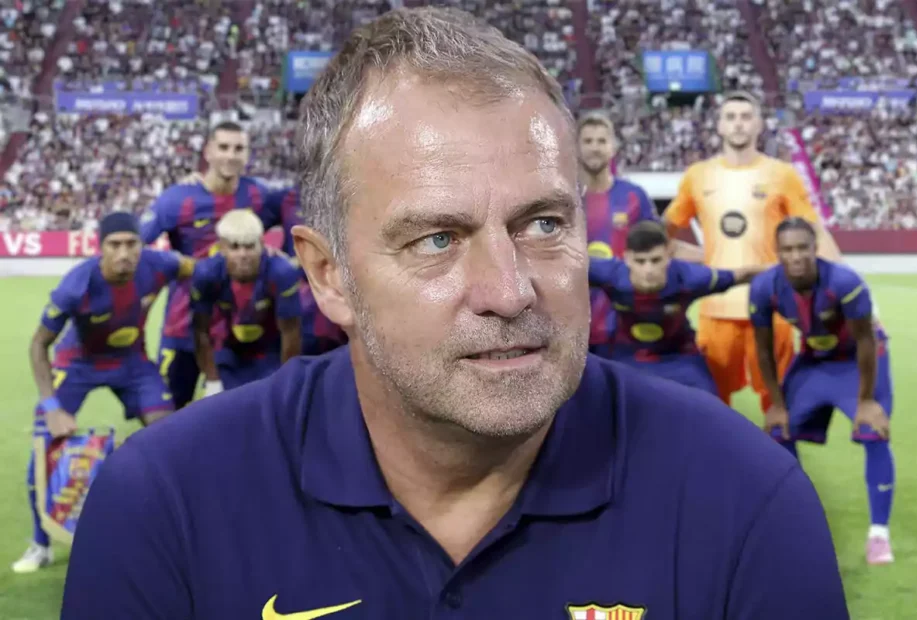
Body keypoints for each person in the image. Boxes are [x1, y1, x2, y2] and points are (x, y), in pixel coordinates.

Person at [63, 9, 847, 619]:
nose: (510, 291)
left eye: (544, 224)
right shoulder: (163, 507)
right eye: (436, 239)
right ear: (329, 276)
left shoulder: (745, 501)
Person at [14, 212, 194, 574]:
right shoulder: (75, 286)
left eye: (131, 244)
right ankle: (41, 543)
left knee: (171, 435)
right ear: (100, 248)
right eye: (115, 245)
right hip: (77, 364)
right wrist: (51, 406)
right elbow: (38, 345)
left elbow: (199, 269)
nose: (124, 253)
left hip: (132, 363)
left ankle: (174, 533)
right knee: (45, 443)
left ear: (141, 245)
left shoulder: (159, 265)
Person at [663, 91, 843, 411]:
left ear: (758, 124)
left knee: (779, 404)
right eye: (730, 117)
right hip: (717, 310)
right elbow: (662, 234)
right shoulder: (698, 176)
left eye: (746, 117)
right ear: (719, 125)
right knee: (711, 407)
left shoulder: (782, 174)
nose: (738, 124)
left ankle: (781, 445)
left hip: (773, 308)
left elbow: (815, 231)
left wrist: (842, 285)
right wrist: (706, 257)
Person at [750, 217, 894, 566]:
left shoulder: (844, 282)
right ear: (777, 253)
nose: (796, 256)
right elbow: (764, 351)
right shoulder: (765, 288)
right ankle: (797, 519)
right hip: (815, 360)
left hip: (857, 361)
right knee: (778, 431)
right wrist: (777, 404)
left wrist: (866, 400)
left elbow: (866, 341)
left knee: (872, 430)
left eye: (803, 247)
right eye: (787, 249)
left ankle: (878, 535)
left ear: (815, 248)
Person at [139, 121, 271, 408]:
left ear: (247, 155)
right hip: (183, 327)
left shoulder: (259, 195)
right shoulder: (178, 198)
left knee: (242, 417)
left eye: (238, 149)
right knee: (171, 417)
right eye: (223, 147)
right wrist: (175, 264)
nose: (231, 155)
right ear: (208, 151)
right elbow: (136, 245)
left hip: (238, 334)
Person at [589, 221, 765, 394]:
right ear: (627, 258)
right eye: (640, 261)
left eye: (655, 260)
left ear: (669, 255)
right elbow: (572, 268)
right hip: (626, 353)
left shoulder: (691, 278)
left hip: (679, 355)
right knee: (599, 400)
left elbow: (742, 275)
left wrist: (779, 273)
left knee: (707, 402)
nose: (648, 270)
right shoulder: (609, 275)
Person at [190, 210, 303, 394]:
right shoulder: (206, 274)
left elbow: (290, 331)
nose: (243, 255)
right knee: (228, 406)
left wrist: (286, 380)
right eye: (234, 247)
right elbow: (200, 330)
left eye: (250, 246)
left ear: (262, 244)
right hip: (226, 350)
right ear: (221, 247)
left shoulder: (282, 272)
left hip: (270, 351)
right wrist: (212, 381)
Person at [577, 111, 661, 355]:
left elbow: (656, 247)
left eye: (601, 141)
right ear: (576, 147)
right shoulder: (562, 197)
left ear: (613, 148)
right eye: (588, 141)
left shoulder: (634, 196)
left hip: (622, 322)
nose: (595, 147)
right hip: (573, 320)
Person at [263, 185, 347, 355]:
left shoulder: (353, 192)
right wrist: (265, 249)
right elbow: (252, 224)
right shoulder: (288, 196)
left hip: (344, 288)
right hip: (303, 294)